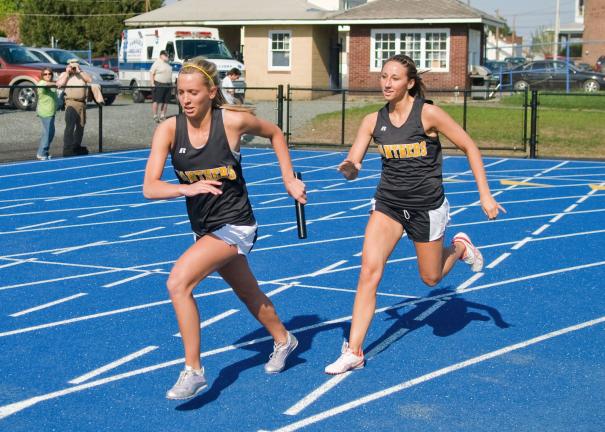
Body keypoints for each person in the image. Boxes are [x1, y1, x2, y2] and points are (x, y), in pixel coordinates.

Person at [324, 54, 506, 375]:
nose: (387, 83)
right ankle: (354, 350)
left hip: (426, 207)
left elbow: (470, 147)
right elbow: (354, 164)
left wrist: (486, 195)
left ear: (409, 83)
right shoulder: (372, 121)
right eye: (383, 77)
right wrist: (349, 168)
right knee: (369, 272)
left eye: (394, 78)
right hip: (388, 204)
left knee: (431, 278)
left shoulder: (428, 114)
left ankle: (461, 247)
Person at [143, 56, 306, 400]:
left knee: (178, 282)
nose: (185, 99)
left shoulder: (231, 122)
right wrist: (186, 188)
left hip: (236, 224)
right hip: (204, 227)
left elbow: (275, 133)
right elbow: (150, 187)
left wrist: (289, 180)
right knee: (248, 293)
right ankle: (284, 339)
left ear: (211, 92)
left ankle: (193, 371)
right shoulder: (169, 130)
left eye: (193, 92)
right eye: (180, 92)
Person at [56, 58, 92, 157]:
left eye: (76, 65)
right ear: (68, 65)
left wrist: (79, 71)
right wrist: (68, 73)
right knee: (70, 127)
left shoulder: (82, 73)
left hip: (81, 103)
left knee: (81, 126)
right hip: (70, 102)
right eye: (72, 65)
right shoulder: (64, 74)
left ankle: (76, 146)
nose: (74, 67)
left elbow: (90, 80)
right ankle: (67, 148)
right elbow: (59, 84)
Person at [36, 67, 58, 160]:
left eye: (49, 74)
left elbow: (58, 83)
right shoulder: (41, 83)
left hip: (51, 111)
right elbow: (47, 85)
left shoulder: (52, 84)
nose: (48, 75)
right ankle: (41, 153)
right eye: (45, 74)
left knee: (51, 133)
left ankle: (45, 151)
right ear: (42, 76)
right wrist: (57, 83)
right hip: (45, 112)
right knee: (48, 132)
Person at [150, 50, 173, 122]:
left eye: (168, 55)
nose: (167, 56)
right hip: (159, 84)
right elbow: (151, 73)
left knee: (165, 101)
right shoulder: (157, 63)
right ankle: (155, 115)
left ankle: (162, 115)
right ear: (161, 56)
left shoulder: (168, 63)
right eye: (166, 55)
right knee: (156, 100)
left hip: (168, 84)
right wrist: (152, 83)